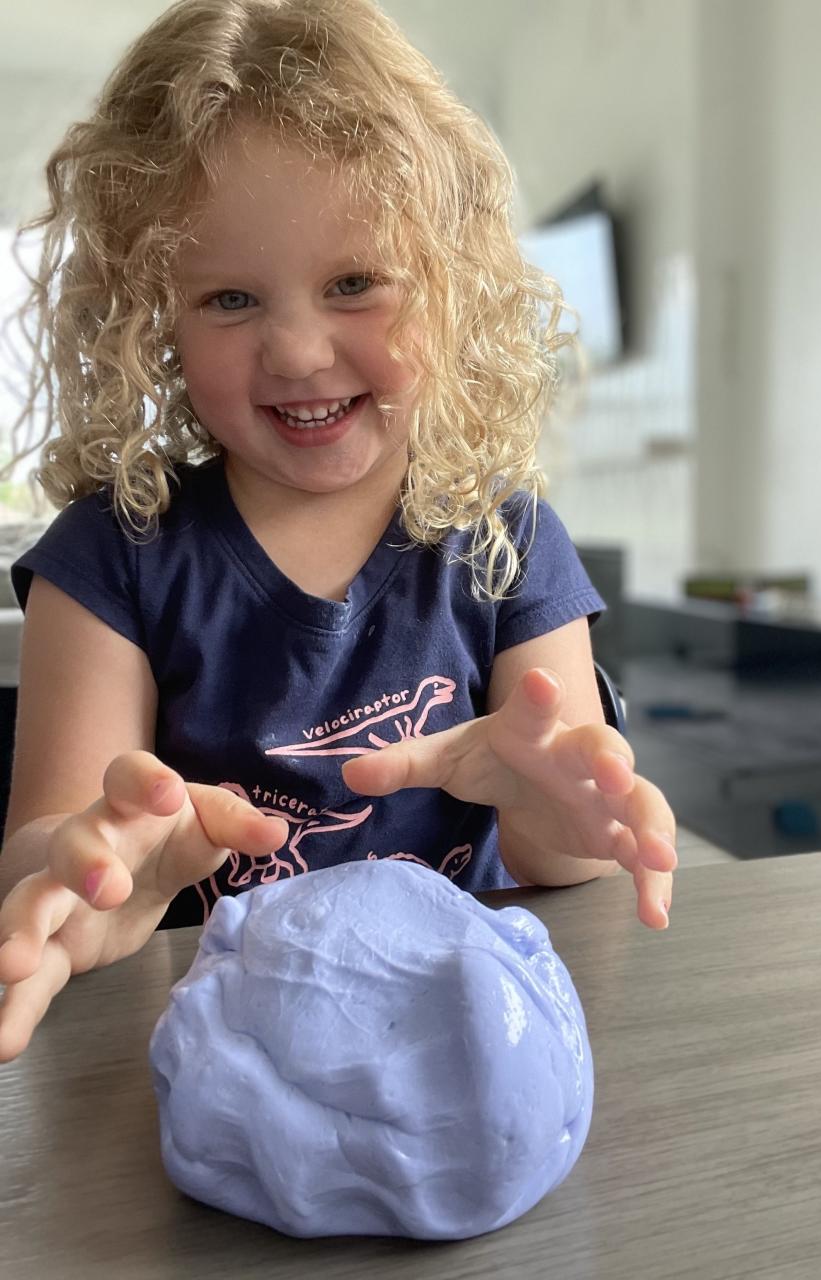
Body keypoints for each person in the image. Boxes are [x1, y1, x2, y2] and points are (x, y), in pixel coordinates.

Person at [0, 0, 676, 1064]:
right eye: (230, 298)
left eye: (354, 282)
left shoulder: (507, 537)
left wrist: (553, 803)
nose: (301, 351)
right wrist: (97, 878)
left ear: (447, 285)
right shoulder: (110, 555)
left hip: (455, 1048)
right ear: (151, 322)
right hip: (213, 1058)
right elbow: (50, 849)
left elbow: (561, 857)